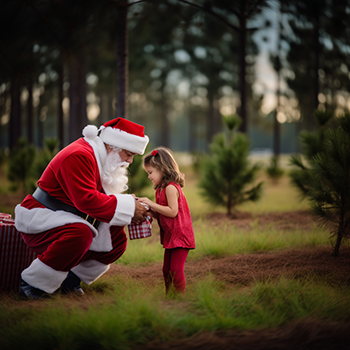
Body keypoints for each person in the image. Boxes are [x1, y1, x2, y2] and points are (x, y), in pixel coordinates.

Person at [14, 117, 150, 299]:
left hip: (68, 216)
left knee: (116, 240)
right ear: (113, 145)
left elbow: (101, 197)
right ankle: (33, 284)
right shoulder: (80, 155)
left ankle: (70, 280)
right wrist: (128, 207)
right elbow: (87, 201)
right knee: (80, 233)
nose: (130, 161)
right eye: (128, 154)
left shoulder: (99, 156)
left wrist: (131, 206)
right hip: (42, 215)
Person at [138, 147, 195, 294]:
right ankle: (169, 296)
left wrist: (150, 203)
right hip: (171, 236)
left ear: (162, 168)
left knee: (175, 270)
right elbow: (164, 214)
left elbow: (172, 212)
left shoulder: (170, 188)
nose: (149, 177)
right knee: (166, 269)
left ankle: (179, 298)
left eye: (150, 172)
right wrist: (150, 212)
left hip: (180, 235)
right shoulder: (160, 189)